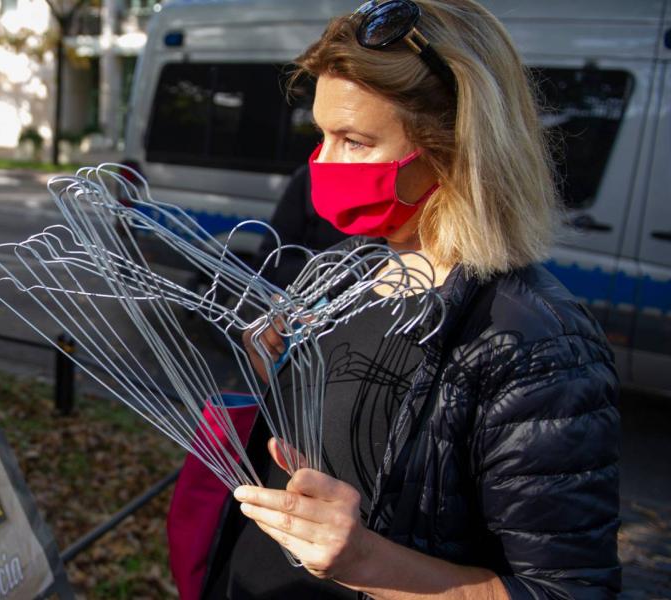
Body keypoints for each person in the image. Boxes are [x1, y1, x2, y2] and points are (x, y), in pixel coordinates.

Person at [205, 0, 621, 598]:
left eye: (354, 140)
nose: (322, 164)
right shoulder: (352, 272)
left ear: (456, 148)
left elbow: (569, 590)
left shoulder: (535, 343)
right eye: (320, 135)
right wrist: (283, 374)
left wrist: (366, 561)